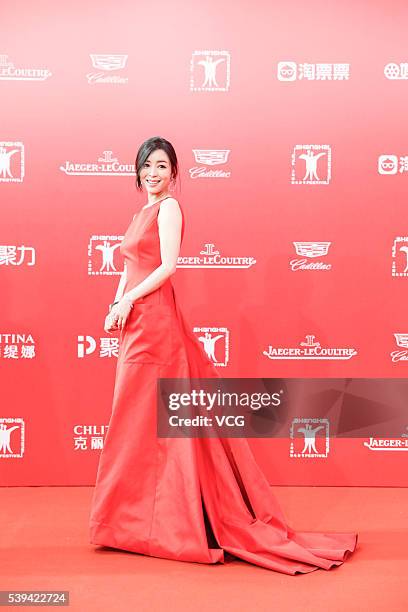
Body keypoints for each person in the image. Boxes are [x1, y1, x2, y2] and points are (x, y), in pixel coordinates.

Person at [89, 136, 358, 574]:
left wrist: (127, 302)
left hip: (156, 324)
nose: (153, 173)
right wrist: (115, 304)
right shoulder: (140, 211)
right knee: (133, 422)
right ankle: (129, 523)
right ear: (137, 171)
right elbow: (128, 266)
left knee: (157, 423)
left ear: (174, 173)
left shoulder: (169, 209)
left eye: (161, 166)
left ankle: (168, 525)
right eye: (147, 166)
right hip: (135, 321)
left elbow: (167, 266)